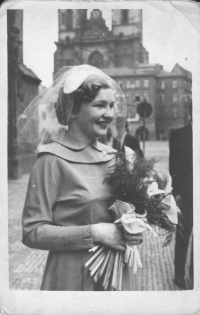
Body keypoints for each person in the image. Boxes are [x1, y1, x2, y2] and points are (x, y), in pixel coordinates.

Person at [18, 65, 142, 291]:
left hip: (117, 277)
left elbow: (129, 212)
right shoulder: (51, 161)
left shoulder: (117, 158)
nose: (110, 114)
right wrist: (94, 232)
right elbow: (32, 232)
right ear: (73, 110)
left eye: (112, 106)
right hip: (72, 277)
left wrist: (134, 228)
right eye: (100, 105)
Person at [169, 104, 193, 289]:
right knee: (183, 236)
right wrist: (175, 192)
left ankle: (194, 274)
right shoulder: (178, 135)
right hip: (186, 195)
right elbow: (173, 167)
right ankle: (179, 276)